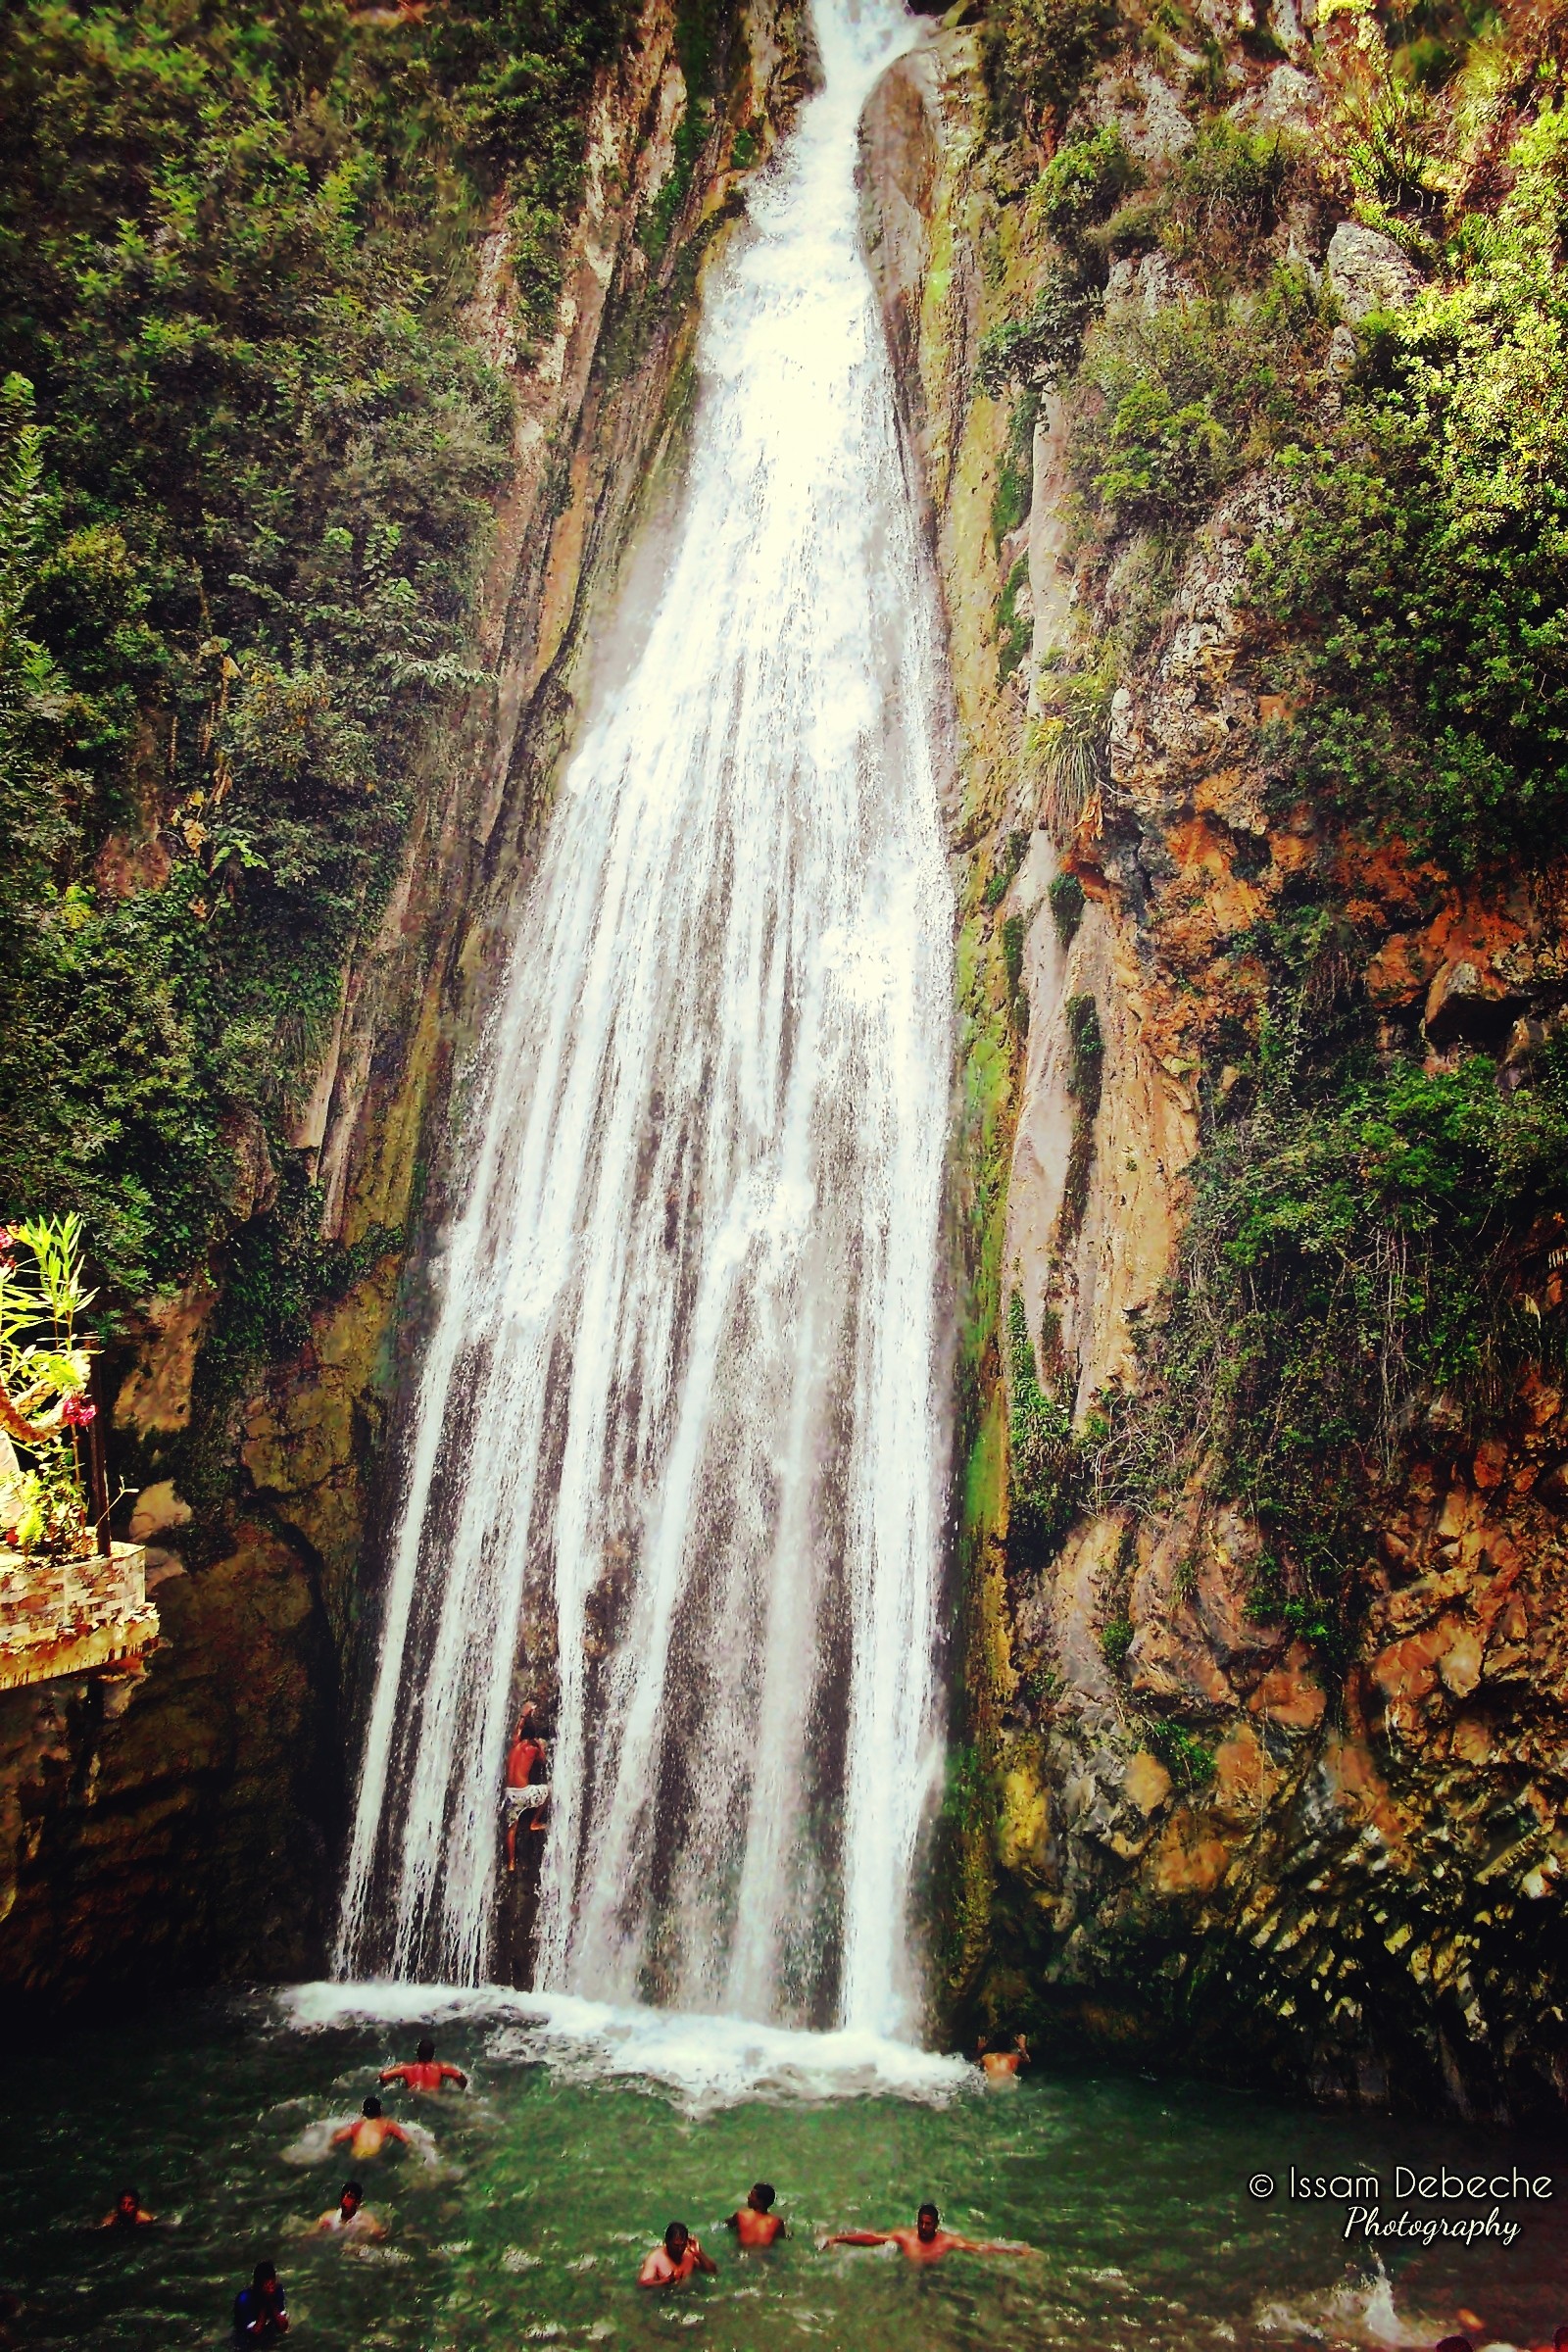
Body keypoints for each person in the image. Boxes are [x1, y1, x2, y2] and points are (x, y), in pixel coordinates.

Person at [823, 2203, 1030, 2265]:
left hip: (935, 2277)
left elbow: (980, 2248)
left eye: (928, 2224)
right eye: (921, 2223)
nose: (923, 2227)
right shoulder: (906, 2237)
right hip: (906, 2273)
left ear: (936, 2225)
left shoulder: (948, 2241)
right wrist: (837, 2239)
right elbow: (872, 2239)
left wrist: (1014, 2251)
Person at [504, 1708, 548, 1870]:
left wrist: (524, 1715)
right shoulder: (533, 1749)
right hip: (524, 1794)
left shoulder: (515, 1744)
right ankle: (534, 1822)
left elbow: (518, 1730)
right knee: (550, 1791)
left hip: (509, 1794)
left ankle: (510, 1863)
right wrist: (541, 1746)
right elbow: (542, 1761)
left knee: (511, 1830)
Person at [331, 2095, 412, 2161]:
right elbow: (406, 2139)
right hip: (373, 2158)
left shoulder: (357, 2125)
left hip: (356, 2157)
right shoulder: (387, 2124)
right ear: (380, 2111)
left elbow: (337, 2138)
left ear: (363, 2112)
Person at [637, 2222, 717, 2286]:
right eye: (676, 2245)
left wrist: (699, 2254)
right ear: (667, 2242)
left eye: (683, 2245)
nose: (679, 2249)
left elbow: (713, 2272)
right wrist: (666, 2281)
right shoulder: (655, 2257)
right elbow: (643, 2283)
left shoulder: (689, 2254)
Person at [379, 2036, 467, 2092]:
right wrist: (461, 2090)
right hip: (433, 2099)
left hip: (414, 2097)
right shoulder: (441, 2068)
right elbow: (460, 2077)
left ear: (417, 2053)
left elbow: (383, 2076)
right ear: (433, 2054)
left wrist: (389, 2085)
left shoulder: (405, 2068)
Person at [232, 2261, 289, 2342]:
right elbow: (254, 2333)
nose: (271, 2289)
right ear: (258, 2285)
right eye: (266, 2286)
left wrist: (272, 2303)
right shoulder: (244, 2298)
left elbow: (283, 2327)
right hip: (246, 2338)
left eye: (272, 2284)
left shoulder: (278, 2291)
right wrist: (264, 2304)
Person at [314, 2181, 386, 2241]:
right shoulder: (328, 2217)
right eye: (343, 2195)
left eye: (349, 2197)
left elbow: (381, 2237)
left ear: (358, 2202)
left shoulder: (366, 2221)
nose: (344, 2200)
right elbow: (310, 2235)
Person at [725, 2182, 784, 2247]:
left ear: (760, 2202)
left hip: (742, 2254)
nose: (748, 2197)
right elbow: (782, 2237)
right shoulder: (777, 2222)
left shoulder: (741, 2215)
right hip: (765, 2256)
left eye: (752, 2195)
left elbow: (727, 2225)